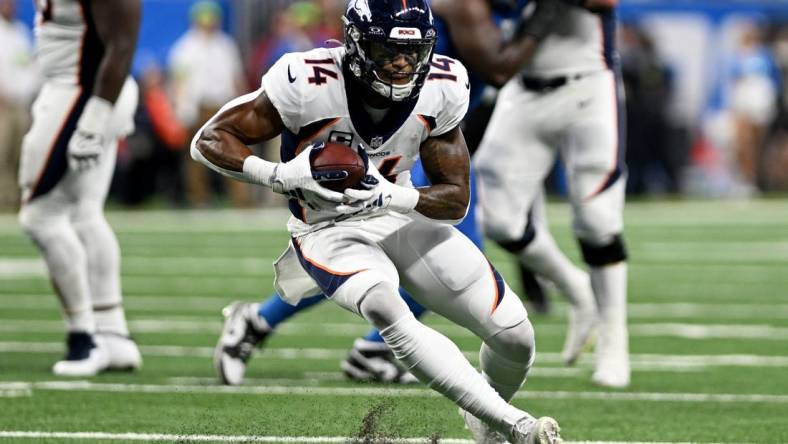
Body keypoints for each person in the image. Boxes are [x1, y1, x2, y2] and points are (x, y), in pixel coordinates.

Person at [193, 1, 563, 442]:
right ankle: (513, 424)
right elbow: (209, 139)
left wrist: (395, 194)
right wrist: (275, 174)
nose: (403, 64)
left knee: (515, 336)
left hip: (392, 215)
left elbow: (456, 200)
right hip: (326, 229)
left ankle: (483, 424)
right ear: (355, 45)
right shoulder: (307, 79)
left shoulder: (442, 86)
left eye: (413, 51)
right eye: (387, 51)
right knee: (387, 307)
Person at [474, 0, 631, 388]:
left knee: (597, 219)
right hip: (523, 90)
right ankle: (577, 289)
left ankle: (614, 338)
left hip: (588, 84)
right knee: (499, 220)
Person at [17, 0, 142, 376]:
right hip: (76, 88)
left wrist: (95, 116)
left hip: (82, 92)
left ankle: (83, 338)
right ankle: (114, 335)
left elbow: (123, 39)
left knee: (39, 217)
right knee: (85, 214)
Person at [168, 0, 251, 207]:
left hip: (222, 105)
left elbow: (235, 76)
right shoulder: (185, 48)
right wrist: (180, 108)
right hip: (198, 106)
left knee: (233, 152)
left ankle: (241, 200)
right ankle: (199, 199)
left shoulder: (225, 44)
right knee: (196, 156)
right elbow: (178, 82)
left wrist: (242, 103)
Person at [0, 0, 38, 211]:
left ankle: (15, 203)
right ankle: (1, 203)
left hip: (21, 104)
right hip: (2, 105)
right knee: (1, 154)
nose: (9, 6)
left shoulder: (20, 31)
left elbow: (28, 66)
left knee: (19, 155)